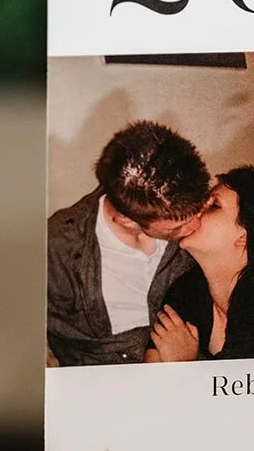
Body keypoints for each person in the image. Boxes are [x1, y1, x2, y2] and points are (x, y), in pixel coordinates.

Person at [47, 121, 210, 366]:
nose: (197, 227)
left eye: (201, 211)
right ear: (126, 220)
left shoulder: (188, 210)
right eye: (178, 229)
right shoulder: (58, 248)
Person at [145, 167, 254, 362]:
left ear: (244, 237)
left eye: (214, 205)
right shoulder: (188, 289)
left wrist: (183, 368)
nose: (196, 209)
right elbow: (152, 364)